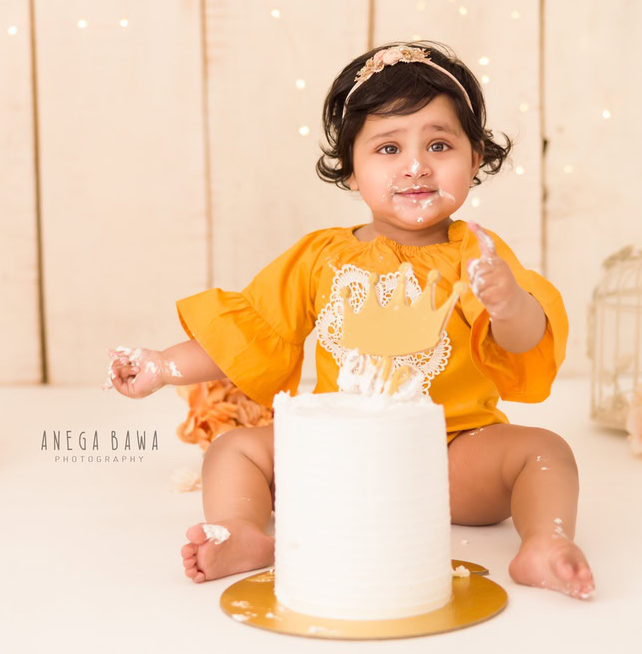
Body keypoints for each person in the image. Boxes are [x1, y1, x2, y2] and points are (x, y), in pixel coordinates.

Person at [106, 41, 595, 600]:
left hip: (448, 458)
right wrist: (162, 366)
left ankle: (545, 542)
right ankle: (240, 531)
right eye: (388, 147)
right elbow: (247, 332)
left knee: (545, 451)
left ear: (475, 158)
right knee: (233, 449)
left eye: (439, 145)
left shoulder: (475, 254)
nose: (416, 165)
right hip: (337, 453)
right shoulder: (322, 257)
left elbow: (523, 339)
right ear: (351, 170)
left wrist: (510, 305)